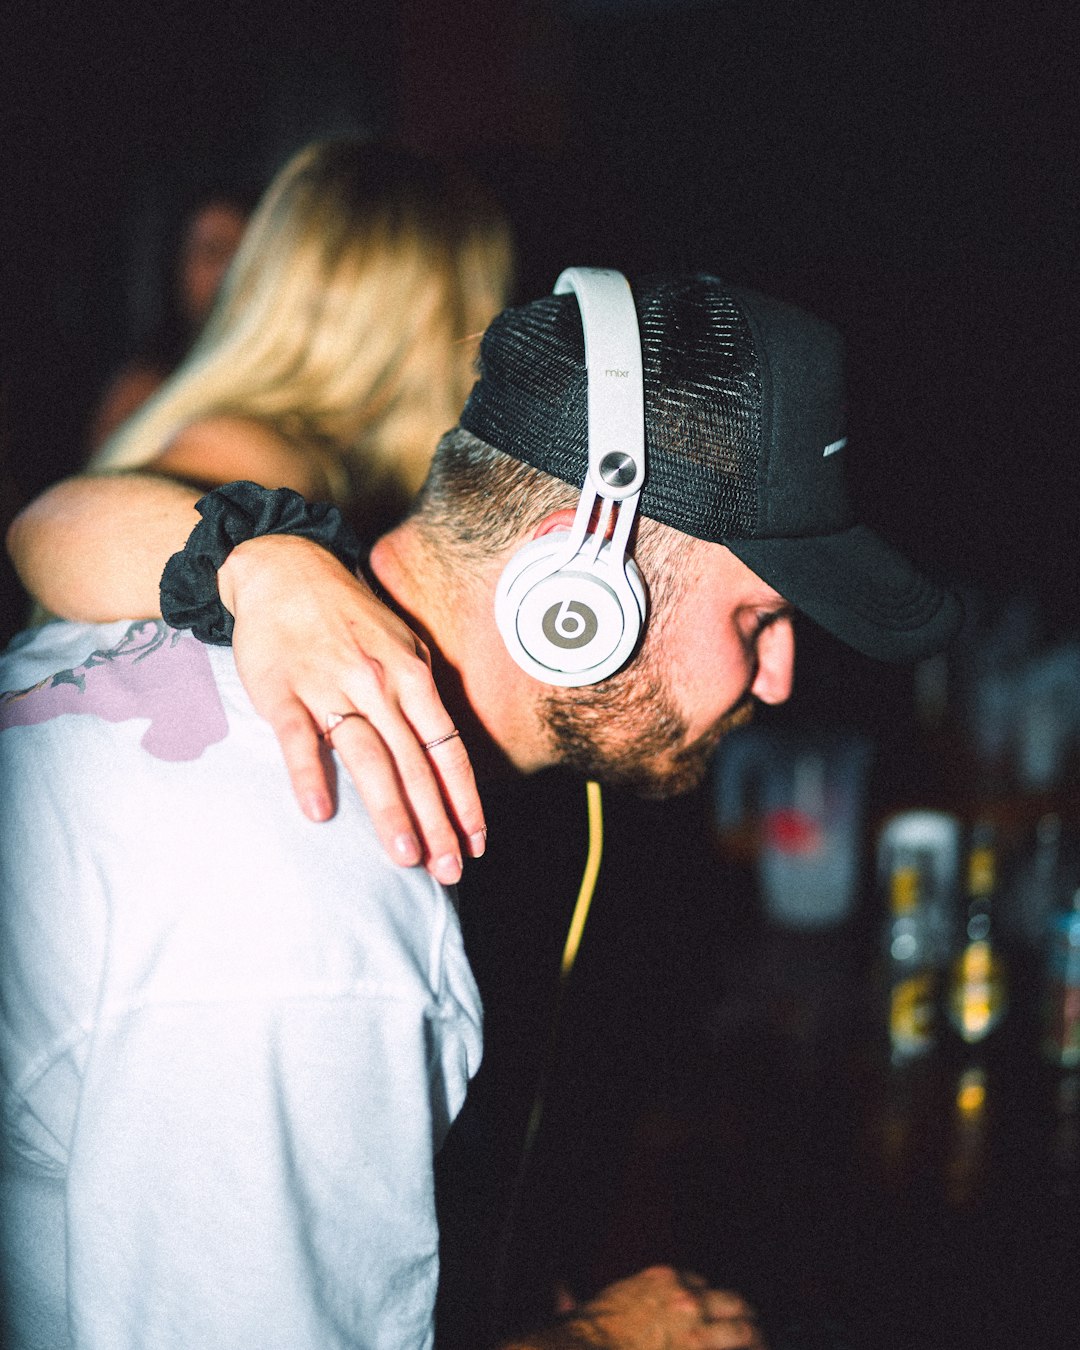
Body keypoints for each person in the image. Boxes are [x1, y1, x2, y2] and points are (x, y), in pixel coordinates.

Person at [1, 271, 960, 1348]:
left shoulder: (221, 590)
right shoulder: (317, 908)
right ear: (577, 595)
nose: (777, 678)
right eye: (760, 616)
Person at [88, 189, 253, 451]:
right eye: (213, 252)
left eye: (247, 256)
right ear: (177, 267)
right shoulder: (143, 387)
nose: (230, 272)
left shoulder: (267, 379)